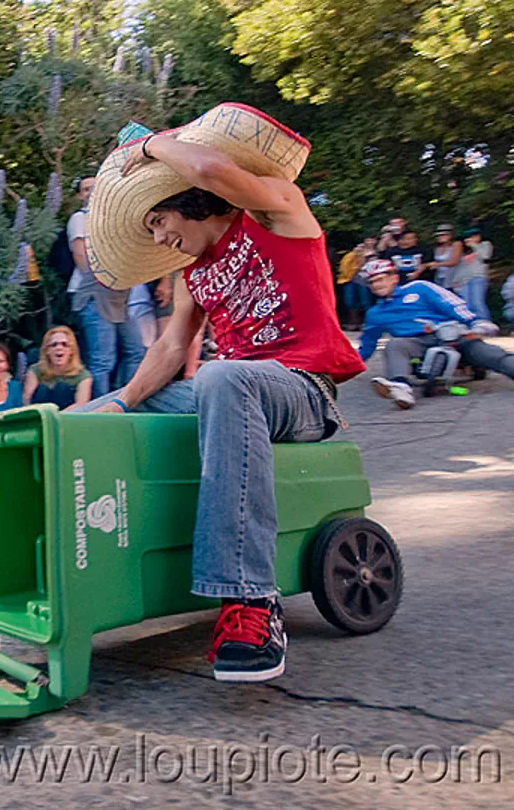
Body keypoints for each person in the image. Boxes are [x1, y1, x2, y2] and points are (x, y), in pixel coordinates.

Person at [81, 114, 365, 683]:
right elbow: (167, 351)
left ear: (187, 197)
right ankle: (75, 579)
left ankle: (251, 604)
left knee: (221, 376)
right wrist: (112, 407)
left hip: (303, 390)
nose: (158, 238)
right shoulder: (194, 273)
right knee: (93, 415)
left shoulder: (275, 209)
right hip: (229, 394)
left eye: (158, 220)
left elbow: (211, 167)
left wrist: (151, 146)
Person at [360, 260, 508, 408]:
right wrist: (342, 369)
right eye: (372, 282)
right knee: (394, 345)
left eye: (380, 279)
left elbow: (452, 304)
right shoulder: (375, 314)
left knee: (490, 355)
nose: (376, 285)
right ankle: (400, 388)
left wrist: (475, 322)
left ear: (394, 277)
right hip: (417, 343)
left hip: (450, 333)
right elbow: (367, 345)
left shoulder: (419, 288)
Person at [66, 177, 144, 394]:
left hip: (118, 296)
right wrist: (109, 280)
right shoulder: (80, 219)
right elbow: (81, 257)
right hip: (93, 294)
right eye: (86, 189)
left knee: (136, 351)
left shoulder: (111, 220)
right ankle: (102, 410)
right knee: (103, 361)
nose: (91, 192)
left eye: (95, 187)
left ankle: (124, 399)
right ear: (80, 195)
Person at [22, 326, 93, 408]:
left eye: (65, 344)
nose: (59, 348)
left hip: (67, 416)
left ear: (71, 351)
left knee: (62, 388)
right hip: (40, 414)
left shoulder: (84, 375)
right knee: (42, 389)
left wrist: (56, 417)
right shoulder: (35, 370)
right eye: (54, 345)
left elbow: (81, 404)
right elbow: (26, 399)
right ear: (47, 351)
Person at [337, 237, 376, 330]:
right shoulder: (352, 254)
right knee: (350, 301)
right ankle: (354, 322)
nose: (369, 242)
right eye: (368, 240)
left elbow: (363, 265)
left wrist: (362, 256)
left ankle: (368, 323)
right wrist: (355, 254)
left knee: (365, 302)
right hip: (350, 279)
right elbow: (344, 266)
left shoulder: (375, 253)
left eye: (372, 240)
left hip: (365, 280)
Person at [454, 228, 493, 320]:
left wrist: (474, 245)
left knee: (477, 301)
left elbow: (485, 256)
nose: (469, 239)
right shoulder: (465, 251)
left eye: (473, 236)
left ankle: (484, 321)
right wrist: (456, 279)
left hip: (478, 277)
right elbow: (461, 267)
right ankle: (472, 322)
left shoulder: (485, 245)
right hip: (465, 280)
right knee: (466, 303)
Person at [416, 224, 463, 289]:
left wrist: (437, 264)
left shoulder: (456, 244)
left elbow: (454, 261)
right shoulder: (437, 247)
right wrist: (425, 265)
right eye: (438, 236)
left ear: (450, 235)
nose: (440, 237)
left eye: (443, 235)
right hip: (439, 277)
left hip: (454, 277)